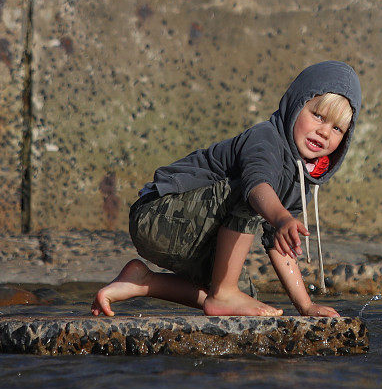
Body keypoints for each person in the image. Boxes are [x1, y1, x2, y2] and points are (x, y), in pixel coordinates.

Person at [91, 61, 361, 318]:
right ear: (295, 105)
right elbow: (257, 186)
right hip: (158, 214)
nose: (324, 132)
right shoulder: (266, 138)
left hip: (195, 232)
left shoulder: (301, 177)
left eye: (337, 128)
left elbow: (278, 245)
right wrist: (281, 218)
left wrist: (306, 305)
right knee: (253, 198)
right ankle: (224, 293)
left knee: (242, 296)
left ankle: (143, 280)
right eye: (317, 115)